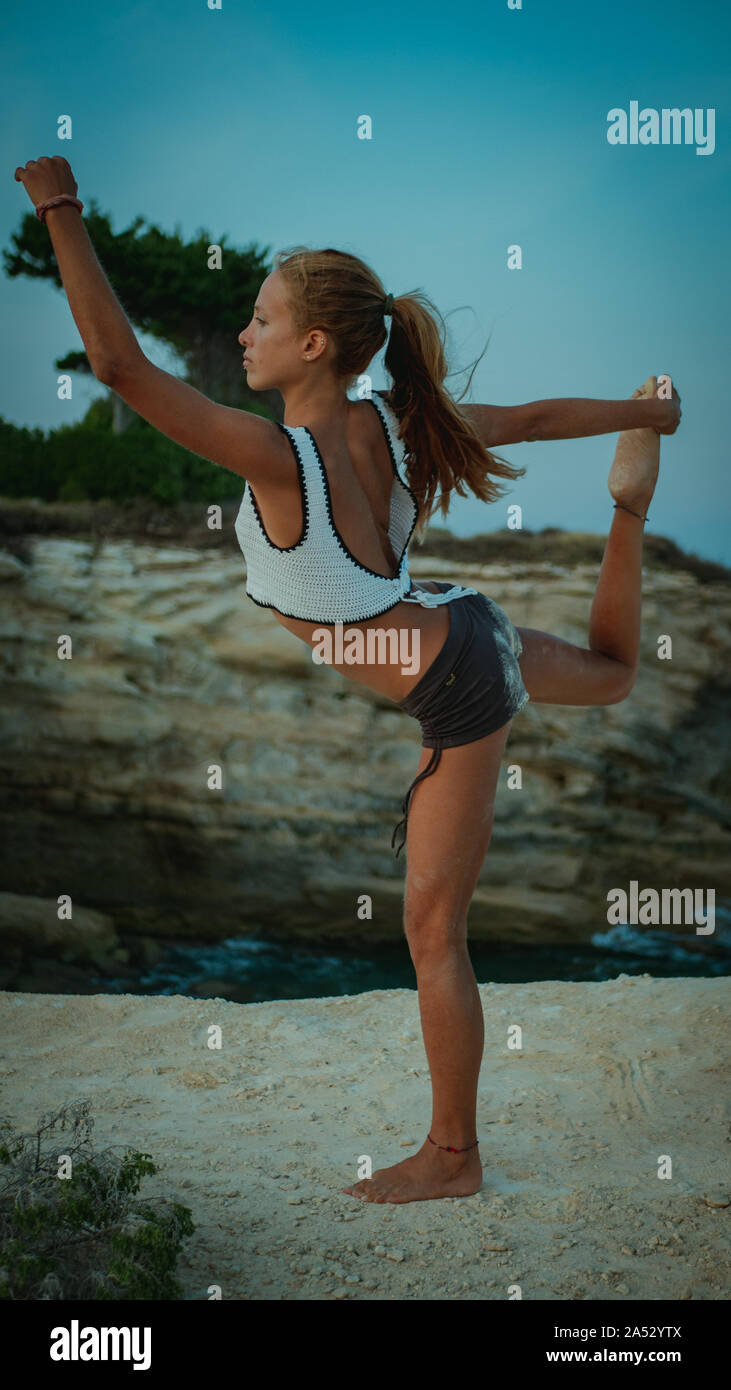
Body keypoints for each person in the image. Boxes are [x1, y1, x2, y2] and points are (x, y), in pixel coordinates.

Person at [15, 156, 682, 1204]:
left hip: (454, 677)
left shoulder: (279, 458)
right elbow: (531, 420)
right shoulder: (391, 428)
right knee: (607, 678)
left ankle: (453, 1158)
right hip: (467, 628)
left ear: (312, 345)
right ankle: (627, 511)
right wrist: (643, 420)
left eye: (259, 318)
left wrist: (58, 208)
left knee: (430, 933)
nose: (243, 333)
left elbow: (118, 367)